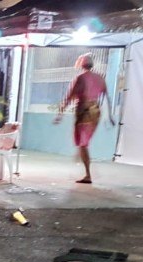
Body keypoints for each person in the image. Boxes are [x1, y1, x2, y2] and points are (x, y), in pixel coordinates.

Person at [58, 53, 113, 184]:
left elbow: (69, 96)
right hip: (95, 111)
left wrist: (60, 113)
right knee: (83, 142)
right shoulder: (100, 78)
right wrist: (109, 115)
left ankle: (88, 174)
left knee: (82, 143)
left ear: (82, 65)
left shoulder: (80, 78)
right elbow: (106, 97)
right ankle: (82, 159)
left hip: (84, 111)